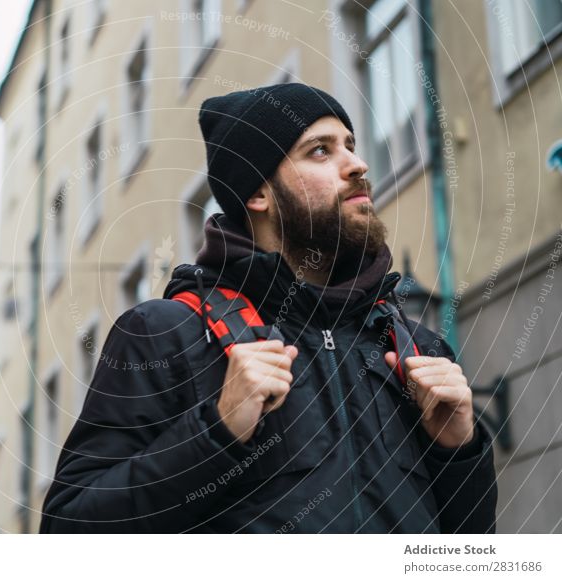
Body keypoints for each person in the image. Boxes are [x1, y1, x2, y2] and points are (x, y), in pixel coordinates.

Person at [40, 82, 497, 533]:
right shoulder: (166, 333)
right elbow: (69, 529)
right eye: (320, 150)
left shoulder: (415, 347)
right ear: (258, 194)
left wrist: (458, 450)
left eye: (351, 146)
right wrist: (216, 432)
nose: (357, 165)